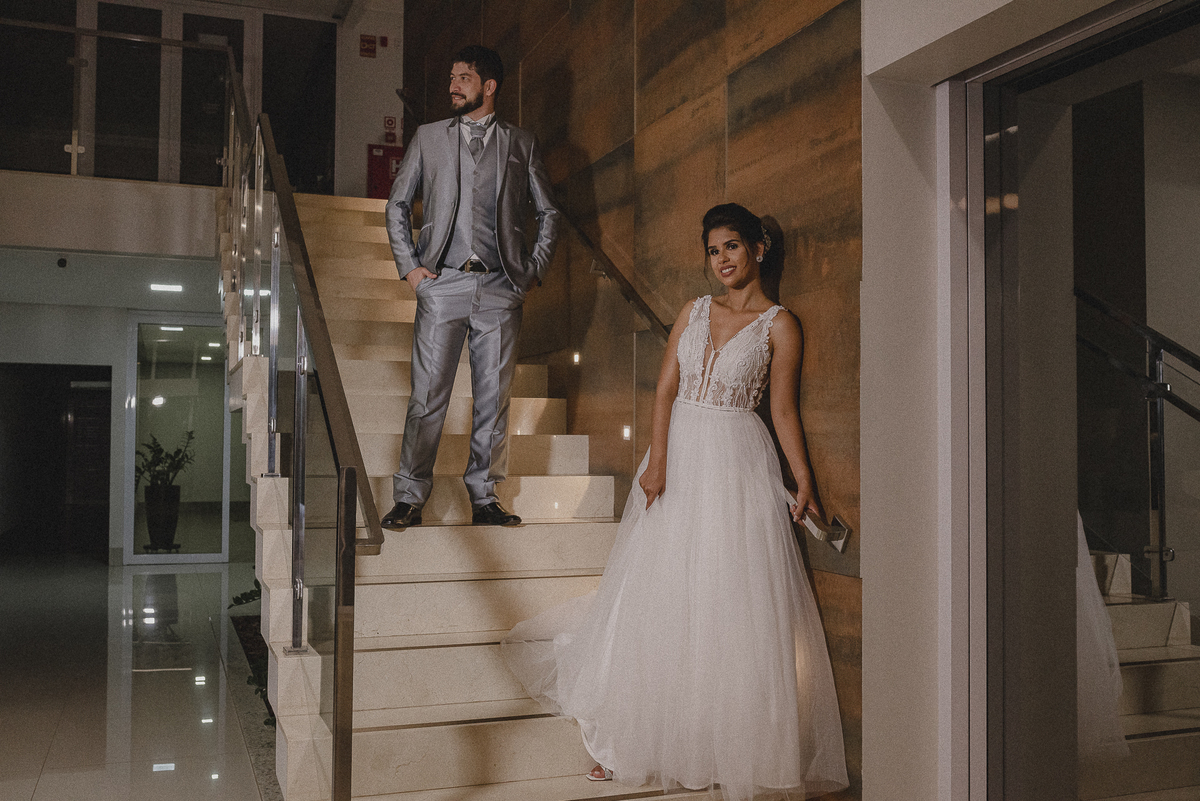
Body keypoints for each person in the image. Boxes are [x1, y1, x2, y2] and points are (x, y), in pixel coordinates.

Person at [501, 203, 849, 800]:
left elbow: (784, 411)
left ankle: (715, 743)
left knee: (725, 600)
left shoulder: (779, 324)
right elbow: (664, 390)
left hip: (738, 462)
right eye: (713, 250)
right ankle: (630, 739)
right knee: (659, 593)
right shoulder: (693, 311)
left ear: (758, 248)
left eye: (732, 246)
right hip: (678, 456)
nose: (722, 260)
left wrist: (804, 480)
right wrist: (658, 460)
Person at [382, 44, 560, 529]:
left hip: (501, 287)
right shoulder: (428, 137)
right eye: (451, 77)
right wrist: (411, 267)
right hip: (443, 284)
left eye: (463, 77)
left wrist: (533, 269)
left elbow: (548, 212)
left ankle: (484, 497)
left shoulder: (520, 143)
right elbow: (397, 205)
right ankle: (410, 496)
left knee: (493, 401)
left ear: (489, 86)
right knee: (427, 398)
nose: (453, 86)